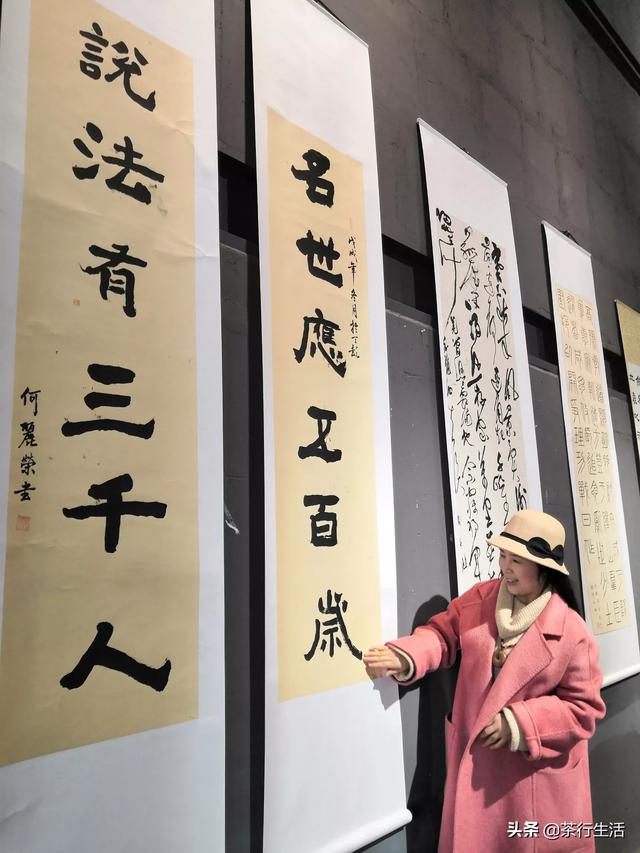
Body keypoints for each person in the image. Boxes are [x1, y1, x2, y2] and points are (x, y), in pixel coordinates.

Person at [364, 509, 606, 853]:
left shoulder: (572, 632)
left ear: (544, 567)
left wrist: (521, 723)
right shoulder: (481, 598)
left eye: (516, 560)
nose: (505, 566)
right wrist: (406, 656)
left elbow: (583, 709)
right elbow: (442, 633)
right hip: (474, 770)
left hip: (527, 785)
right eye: (503, 556)